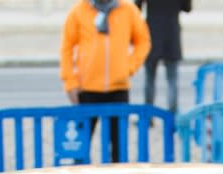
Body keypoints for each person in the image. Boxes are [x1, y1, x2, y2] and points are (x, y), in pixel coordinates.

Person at [60, 0, 150, 162]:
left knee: (119, 147)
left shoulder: (128, 10)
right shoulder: (79, 11)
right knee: (81, 146)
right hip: (87, 89)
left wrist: (129, 67)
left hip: (118, 89)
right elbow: (67, 46)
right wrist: (70, 81)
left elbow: (143, 41)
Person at [135, 0, 191, 114]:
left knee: (149, 79)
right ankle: (172, 114)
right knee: (172, 80)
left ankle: (148, 113)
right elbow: (187, 8)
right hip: (171, 34)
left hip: (152, 34)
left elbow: (137, 7)